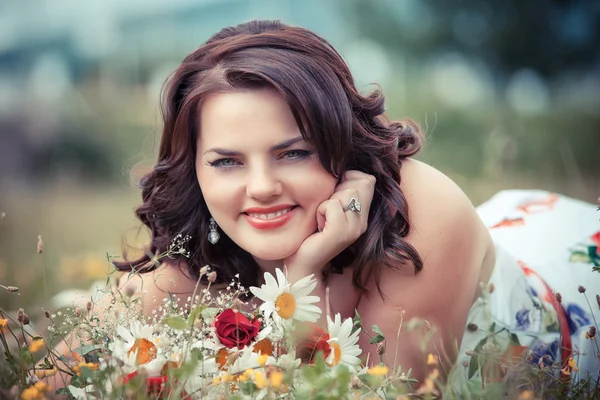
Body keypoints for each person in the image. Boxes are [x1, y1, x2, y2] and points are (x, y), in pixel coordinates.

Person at [49, 20, 600, 393]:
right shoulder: (198, 249)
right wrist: (304, 271)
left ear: (341, 144)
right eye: (226, 162)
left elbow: (379, 394)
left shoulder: (423, 212)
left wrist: (302, 276)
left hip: (574, 285)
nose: (261, 187)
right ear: (194, 170)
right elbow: (45, 376)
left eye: (294, 153)